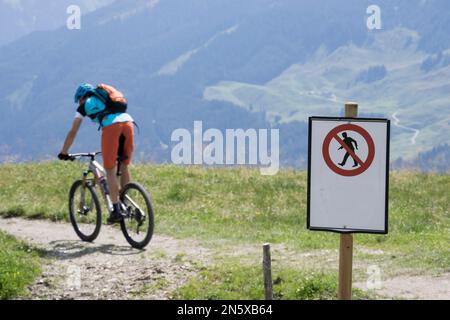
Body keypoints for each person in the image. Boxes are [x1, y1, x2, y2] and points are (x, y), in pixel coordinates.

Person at [58, 83, 135, 224]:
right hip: (128, 123)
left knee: (110, 170)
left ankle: (116, 210)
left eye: (79, 100)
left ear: (81, 97)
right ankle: (126, 203)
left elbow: (73, 131)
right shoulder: (106, 98)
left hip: (111, 127)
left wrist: (64, 152)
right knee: (123, 165)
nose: (79, 103)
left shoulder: (83, 106)